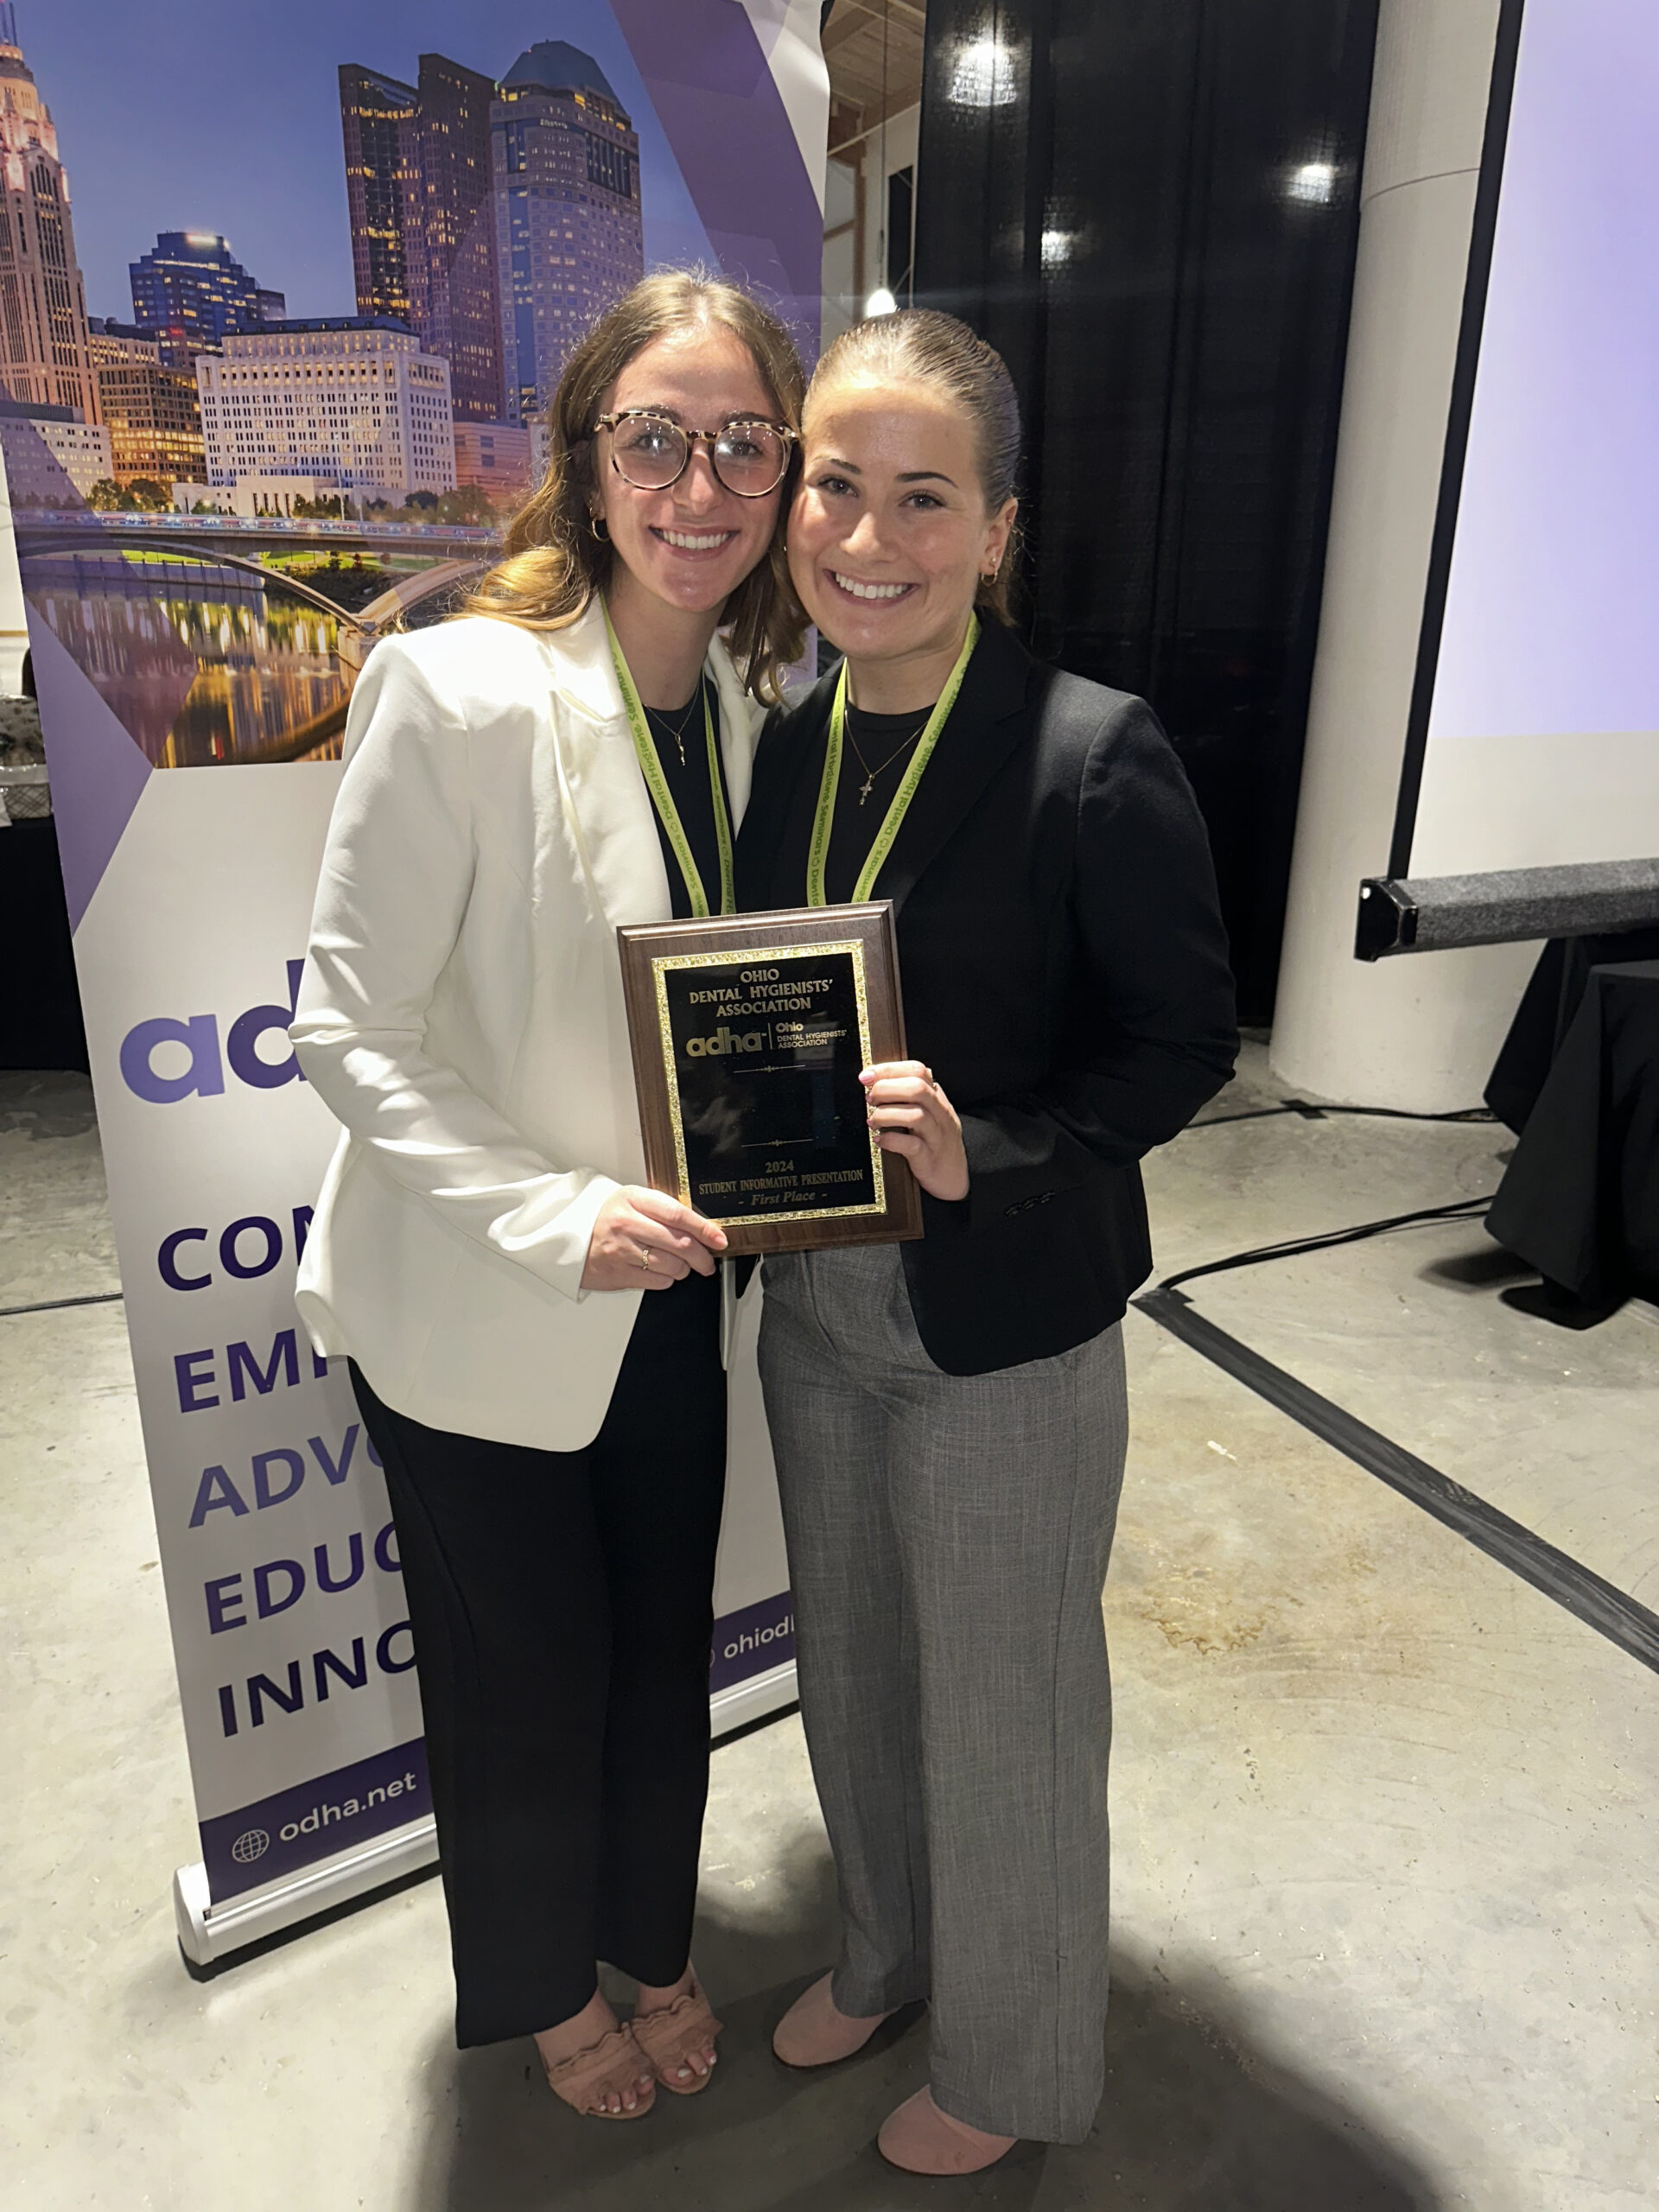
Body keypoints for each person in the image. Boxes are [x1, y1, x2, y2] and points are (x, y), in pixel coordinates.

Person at [289, 272, 805, 2121]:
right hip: (478, 1294)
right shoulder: (457, 686)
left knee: (662, 1648)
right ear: (589, 467)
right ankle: (534, 1987)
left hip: (679, 1282)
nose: (701, 479)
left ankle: (651, 1938)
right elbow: (340, 1025)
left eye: (744, 440)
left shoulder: (764, 699)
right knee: (527, 1680)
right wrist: (547, 1214)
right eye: (655, 437)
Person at [735, 309, 1237, 2174]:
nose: (869, 537)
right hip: (814, 1293)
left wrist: (995, 1146)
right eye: (836, 487)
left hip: (1005, 1311)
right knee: (853, 1666)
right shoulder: (785, 751)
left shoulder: (1091, 751)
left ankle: (1021, 2066)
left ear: (1000, 524)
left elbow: (1183, 1039)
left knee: (1010, 1703)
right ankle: (885, 1945)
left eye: (923, 498)